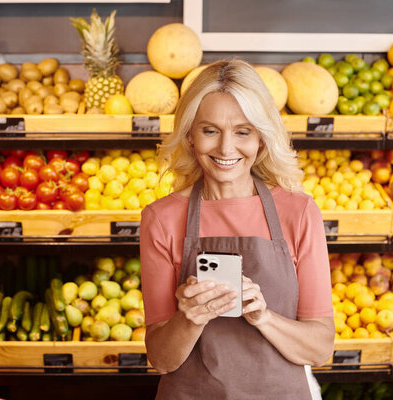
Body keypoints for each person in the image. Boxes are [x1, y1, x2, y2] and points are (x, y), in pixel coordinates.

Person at [139, 59, 334, 399]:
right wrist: (190, 318)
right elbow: (161, 360)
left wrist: (263, 317)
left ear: (261, 138)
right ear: (189, 135)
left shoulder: (299, 212)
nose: (226, 149)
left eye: (243, 132)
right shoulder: (161, 218)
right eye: (210, 130)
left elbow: (319, 349)